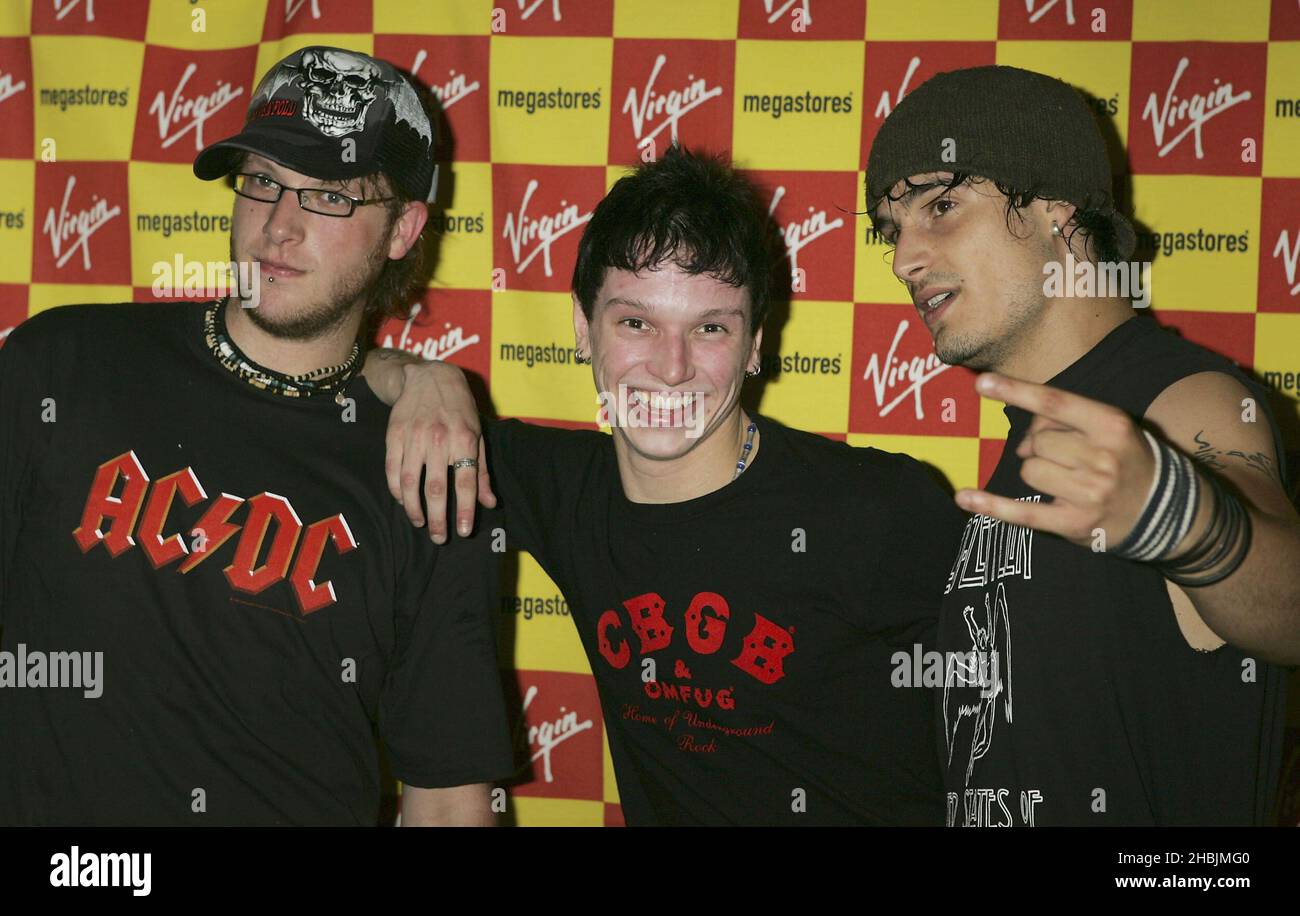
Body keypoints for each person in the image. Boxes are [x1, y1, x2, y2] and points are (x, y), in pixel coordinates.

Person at [364, 145, 967, 825]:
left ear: (755, 343)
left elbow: (1046, 704)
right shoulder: (556, 488)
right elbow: (353, 372)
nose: (671, 367)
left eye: (710, 327)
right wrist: (424, 378)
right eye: (636, 322)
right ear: (582, 328)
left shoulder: (880, 508)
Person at [0, 46, 512, 826]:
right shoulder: (62, 365)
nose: (280, 225)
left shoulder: (426, 464)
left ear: (405, 227)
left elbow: (446, 799)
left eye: (331, 195)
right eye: (266, 180)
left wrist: (422, 377)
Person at [864, 65, 1298, 825]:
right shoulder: (1034, 434)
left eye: (942, 205)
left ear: (1058, 210)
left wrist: (1188, 524)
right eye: (893, 229)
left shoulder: (1182, 401)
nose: (905, 259)